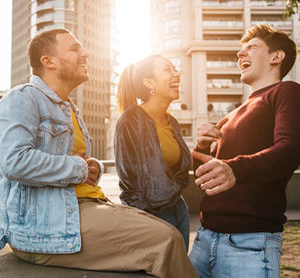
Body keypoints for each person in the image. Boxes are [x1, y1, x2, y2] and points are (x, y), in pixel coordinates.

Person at [0, 29, 199, 278]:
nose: (85, 53)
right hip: (47, 227)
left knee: (166, 233)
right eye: (74, 49)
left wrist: (92, 168)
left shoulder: (70, 109)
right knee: (166, 239)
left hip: (85, 207)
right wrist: (79, 168)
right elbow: (14, 162)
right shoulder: (23, 98)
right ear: (48, 61)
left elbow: (73, 165)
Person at [189, 24, 300, 277]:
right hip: (204, 239)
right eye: (241, 50)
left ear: (276, 57)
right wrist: (202, 146)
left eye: (251, 47)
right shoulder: (231, 115)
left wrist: (234, 169)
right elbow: (207, 177)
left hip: (250, 244)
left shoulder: (287, 92)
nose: (241, 54)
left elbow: (290, 149)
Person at [114, 55, 191, 250]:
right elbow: (129, 183)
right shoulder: (131, 120)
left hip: (179, 210)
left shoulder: (172, 122)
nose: (176, 74)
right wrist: (143, 226)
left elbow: (177, 170)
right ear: (149, 82)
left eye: (176, 69)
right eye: (168, 69)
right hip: (151, 217)